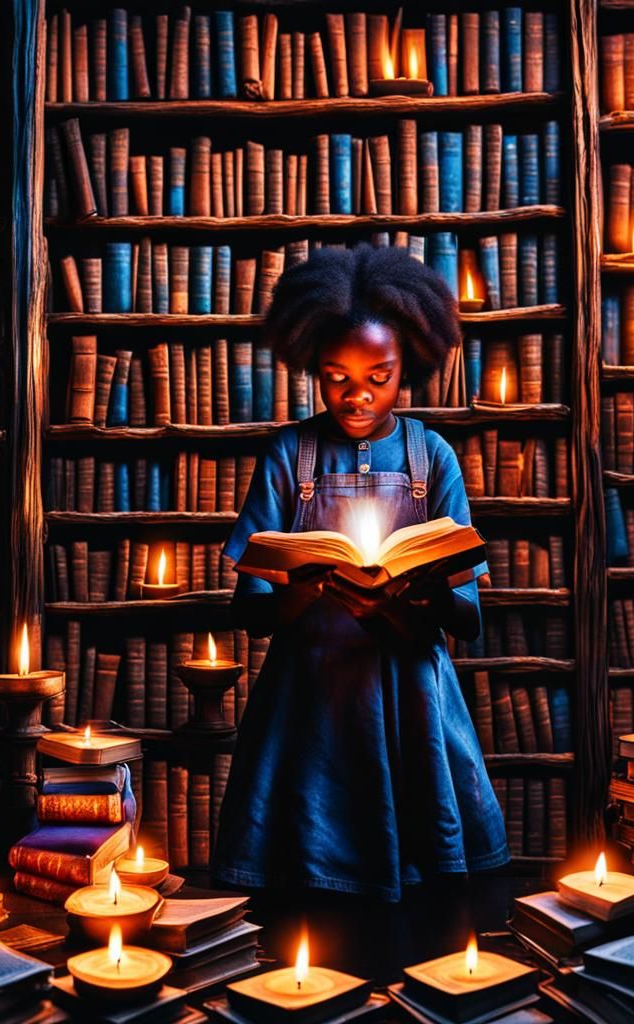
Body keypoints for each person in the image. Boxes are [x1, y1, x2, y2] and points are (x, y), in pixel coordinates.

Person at [212, 244, 508, 905]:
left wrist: (423, 594)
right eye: (337, 376)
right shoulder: (290, 454)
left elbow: (470, 620)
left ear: (410, 369)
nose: (358, 395)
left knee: (427, 901)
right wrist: (309, 587)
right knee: (307, 894)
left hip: (412, 698)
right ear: (314, 370)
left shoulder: (433, 457)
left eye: (379, 376)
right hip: (307, 702)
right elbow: (248, 610)